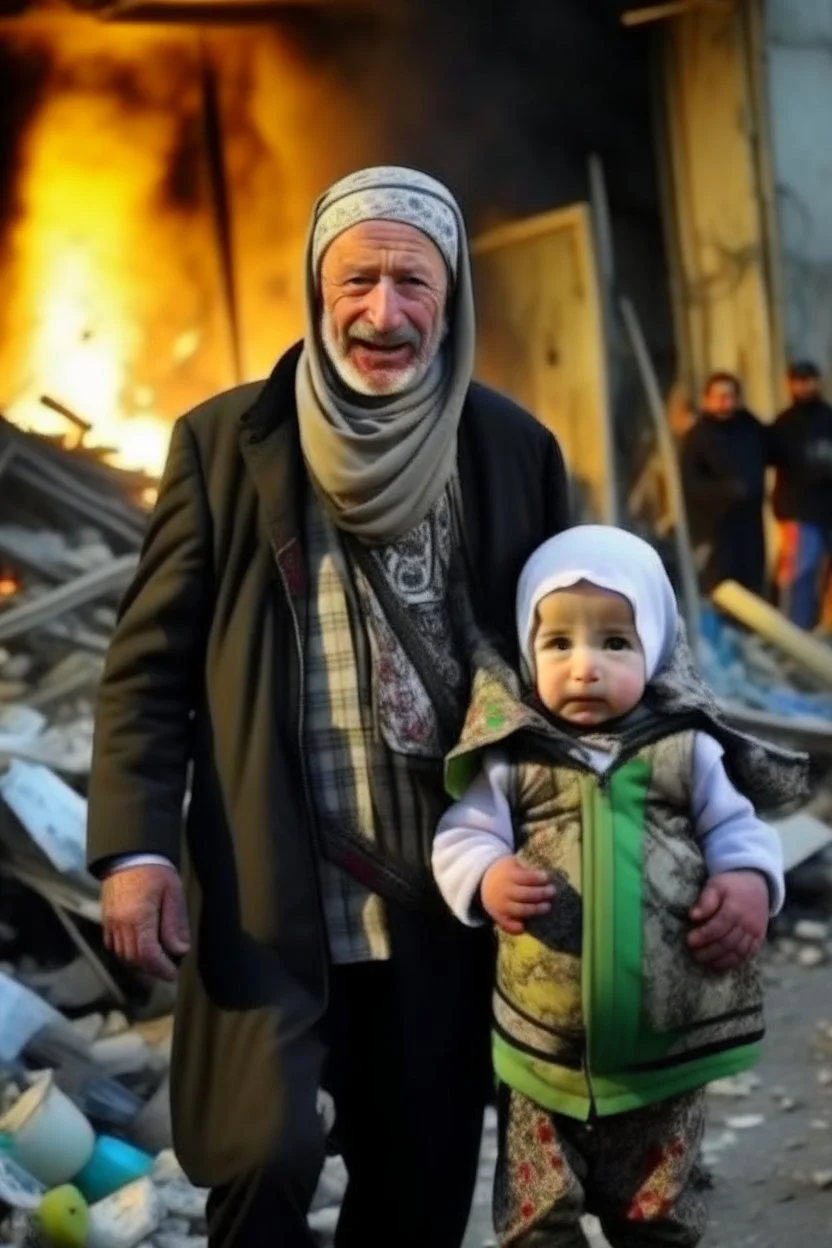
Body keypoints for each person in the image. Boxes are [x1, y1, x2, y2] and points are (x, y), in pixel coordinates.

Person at [86, 166, 570, 1248]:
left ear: (451, 298)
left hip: (446, 903)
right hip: (276, 893)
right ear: (316, 286)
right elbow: (147, 667)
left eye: (413, 282)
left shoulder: (510, 451)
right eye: (358, 279)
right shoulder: (224, 445)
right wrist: (134, 850)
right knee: (262, 1162)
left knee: (417, 1188)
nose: (382, 313)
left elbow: (573, 671)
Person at [432, 526, 806, 1247]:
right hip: (542, 1054)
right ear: (526, 648)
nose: (584, 669)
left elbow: (740, 828)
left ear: (657, 647)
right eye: (559, 644)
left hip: (666, 1056)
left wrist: (751, 882)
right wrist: (486, 874)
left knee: (660, 1216)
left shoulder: (687, 747)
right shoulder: (512, 759)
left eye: (614, 643)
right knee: (540, 1218)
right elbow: (461, 834)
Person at [680, 372, 768, 596]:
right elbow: (691, 485)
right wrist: (728, 491)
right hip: (713, 528)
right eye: (718, 396)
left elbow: (775, 449)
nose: (723, 402)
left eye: (729, 396)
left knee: (752, 587)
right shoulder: (697, 437)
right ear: (706, 399)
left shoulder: (749, 428)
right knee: (720, 589)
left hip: (749, 526)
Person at [770, 361, 832, 629]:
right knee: (799, 577)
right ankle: (794, 635)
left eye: (809, 380)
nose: (804, 386)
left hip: (827, 510)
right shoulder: (785, 424)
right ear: (789, 384)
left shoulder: (829, 418)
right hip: (800, 514)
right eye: (798, 380)